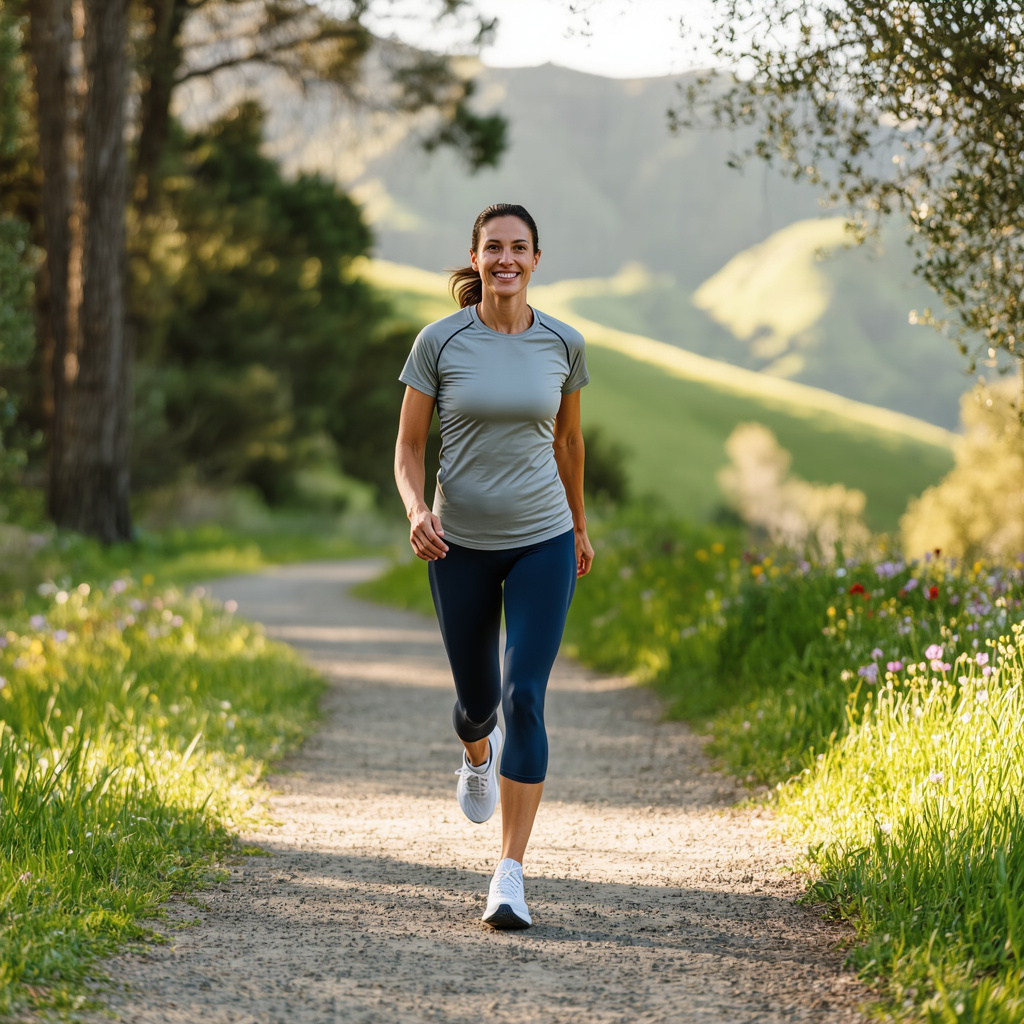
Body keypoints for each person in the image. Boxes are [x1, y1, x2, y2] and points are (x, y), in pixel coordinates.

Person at [394, 202, 593, 930]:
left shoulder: (564, 344)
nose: (506, 259)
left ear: (537, 259)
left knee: (526, 697)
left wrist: (577, 526)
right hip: (460, 544)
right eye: (493, 248)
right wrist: (418, 511)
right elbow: (410, 447)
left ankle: (509, 875)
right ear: (476, 260)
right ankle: (478, 756)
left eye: (519, 247)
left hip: (542, 538)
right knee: (478, 702)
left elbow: (568, 445)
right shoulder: (440, 342)